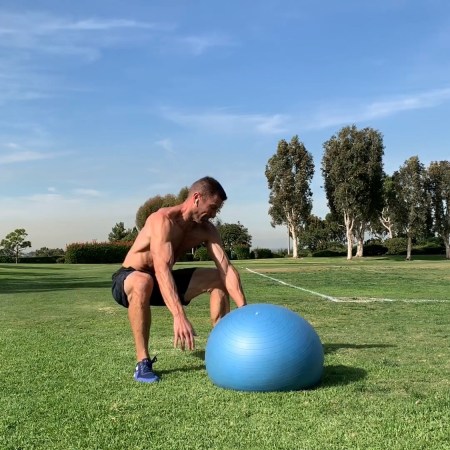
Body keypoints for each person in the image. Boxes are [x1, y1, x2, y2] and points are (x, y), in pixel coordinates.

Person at [112, 176, 247, 383]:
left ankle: (221, 345)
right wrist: (179, 315)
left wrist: (243, 309)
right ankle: (142, 362)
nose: (213, 214)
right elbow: (161, 268)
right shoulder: (162, 220)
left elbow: (226, 269)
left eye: (217, 210)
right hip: (130, 278)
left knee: (218, 278)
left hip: (160, 282)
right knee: (143, 281)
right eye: (212, 207)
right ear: (196, 198)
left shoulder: (206, 230)